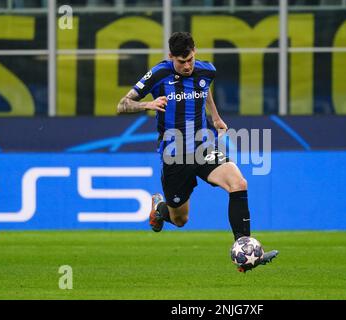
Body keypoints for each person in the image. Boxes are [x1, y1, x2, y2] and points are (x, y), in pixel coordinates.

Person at [117, 32, 278, 272]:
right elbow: (122, 104)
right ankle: (161, 209)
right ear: (170, 56)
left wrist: (215, 117)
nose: (187, 65)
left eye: (190, 59)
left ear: (195, 52)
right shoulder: (159, 74)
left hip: (203, 146)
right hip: (174, 154)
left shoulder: (206, 70)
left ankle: (244, 248)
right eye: (181, 61)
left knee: (238, 183)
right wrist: (147, 104)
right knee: (180, 219)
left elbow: (205, 89)